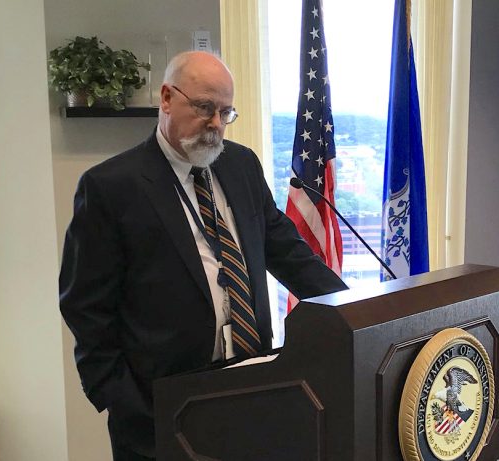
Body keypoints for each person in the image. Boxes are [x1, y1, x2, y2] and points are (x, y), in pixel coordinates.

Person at [59, 51, 347, 460]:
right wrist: (123, 401)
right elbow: (85, 308)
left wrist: (351, 309)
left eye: (226, 112)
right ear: (166, 98)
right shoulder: (110, 187)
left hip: (254, 390)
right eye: (204, 107)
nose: (215, 124)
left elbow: (287, 251)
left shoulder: (242, 165)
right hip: (162, 407)